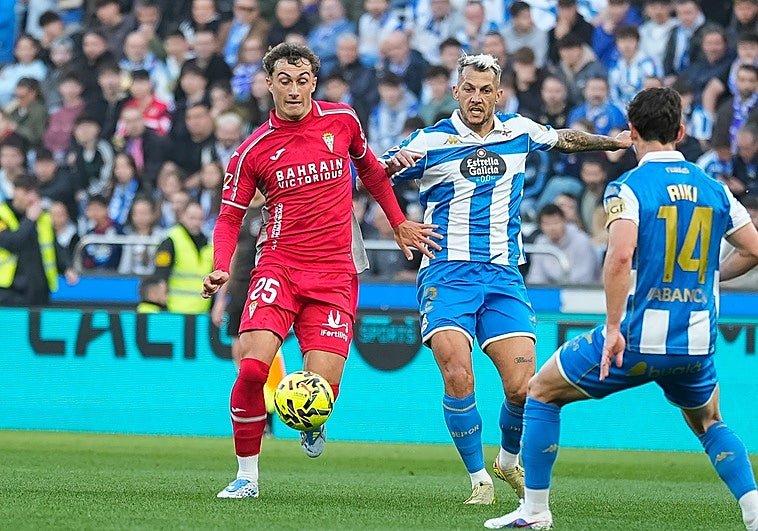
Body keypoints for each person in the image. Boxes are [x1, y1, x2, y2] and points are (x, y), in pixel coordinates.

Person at [483, 87, 758, 530]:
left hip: (636, 337)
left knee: (541, 392)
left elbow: (620, 256)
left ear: (631, 132)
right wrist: (710, 275)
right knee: (710, 423)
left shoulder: (628, 188)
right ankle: (754, 513)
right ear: (681, 132)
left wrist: (613, 328)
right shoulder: (716, 190)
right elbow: (753, 249)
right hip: (695, 343)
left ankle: (534, 512)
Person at [381, 53, 631, 505]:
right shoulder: (429, 141)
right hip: (446, 273)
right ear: (455, 92)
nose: (476, 98)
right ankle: (479, 479)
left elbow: (565, 139)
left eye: (485, 90)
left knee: (522, 387)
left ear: (499, 95)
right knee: (459, 375)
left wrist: (611, 142)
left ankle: (508, 460)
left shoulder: (519, 130)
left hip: (503, 276)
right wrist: (397, 213)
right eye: (468, 89)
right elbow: (372, 173)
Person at [201, 43, 439, 499]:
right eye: (284, 81)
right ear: (269, 84)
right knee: (251, 370)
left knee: (322, 391)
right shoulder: (251, 150)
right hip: (278, 267)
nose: (294, 90)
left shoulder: (342, 120)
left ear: (313, 82)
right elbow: (229, 218)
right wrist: (221, 268)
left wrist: (398, 222)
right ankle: (247, 477)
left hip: (335, 274)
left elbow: (372, 172)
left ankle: (312, 420)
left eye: (302, 80)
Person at [0, 177, 76, 306]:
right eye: (26, 192)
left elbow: (54, 246)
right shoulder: (2, 215)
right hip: (10, 289)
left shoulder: (44, 217)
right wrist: (29, 220)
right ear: (15, 192)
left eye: (33, 193)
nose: (30, 198)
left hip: (40, 288)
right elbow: (12, 243)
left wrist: (66, 267)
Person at [154, 201, 213, 314]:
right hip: (175, 308)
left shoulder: (208, 243)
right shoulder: (171, 240)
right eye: (192, 218)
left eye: (200, 219)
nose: (196, 222)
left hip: (203, 309)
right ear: (182, 217)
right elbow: (160, 274)